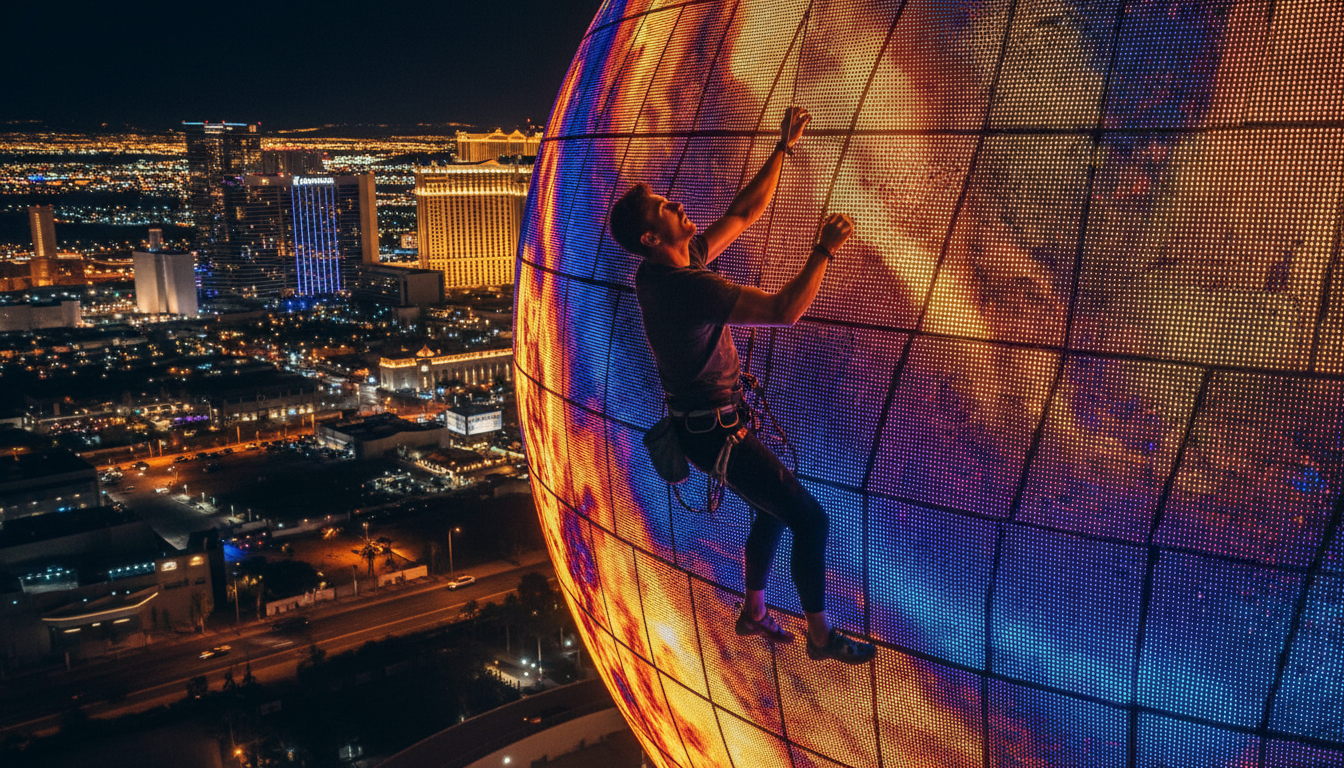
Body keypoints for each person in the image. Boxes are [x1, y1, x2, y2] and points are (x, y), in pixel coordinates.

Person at [607, 106, 876, 665]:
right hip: (715, 434)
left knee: (773, 508)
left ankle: (754, 612)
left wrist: (784, 147)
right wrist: (823, 251)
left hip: (711, 428)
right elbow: (784, 310)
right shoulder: (685, 287)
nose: (680, 204)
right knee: (810, 518)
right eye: (666, 206)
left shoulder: (664, 269)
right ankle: (821, 636)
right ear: (652, 235)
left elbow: (744, 214)